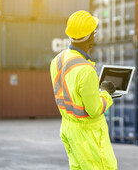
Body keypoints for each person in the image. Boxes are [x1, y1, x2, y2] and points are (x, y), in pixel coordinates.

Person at [50, 10, 117, 170]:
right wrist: (106, 93)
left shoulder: (57, 60)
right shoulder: (85, 70)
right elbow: (94, 110)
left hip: (68, 129)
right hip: (88, 135)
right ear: (91, 38)